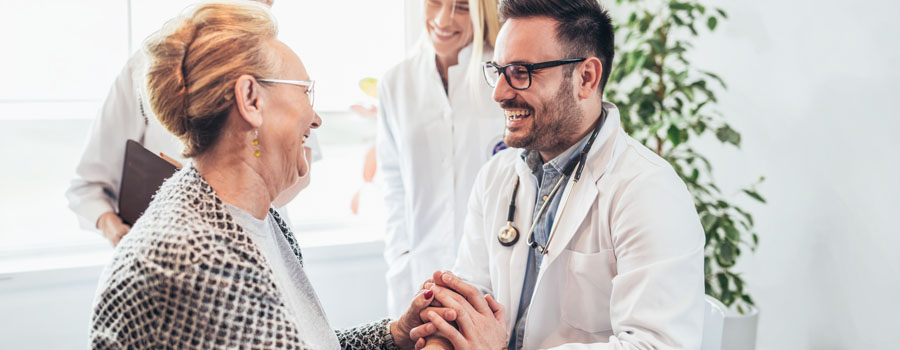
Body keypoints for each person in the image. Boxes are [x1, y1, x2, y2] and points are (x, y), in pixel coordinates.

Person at [90, 2, 431, 348]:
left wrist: (396, 335)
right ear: (251, 99)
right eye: (303, 91)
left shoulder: (257, 218)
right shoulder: (196, 263)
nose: (315, 119)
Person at [408, 0, 706, 348]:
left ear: (586, 77)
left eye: (521, 72)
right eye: (498, 70)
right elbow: (466, 306)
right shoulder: (497, 176)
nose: (500, 93)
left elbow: (657, 346)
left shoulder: (647, 191)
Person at [65, 0, 320, 247]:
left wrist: (242, 209)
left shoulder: (282, 70)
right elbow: (88, 186)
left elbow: (298, 166)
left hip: (259, 243)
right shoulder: (152, 69)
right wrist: (119, 232)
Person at [376, 0, 504, 318]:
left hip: (494, 275)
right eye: (435, 2)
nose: (443, 19)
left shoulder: (505, 77)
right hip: (419, 270)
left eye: (462, 7)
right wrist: (401, 257)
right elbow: (393, 186)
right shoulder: (396, 83)